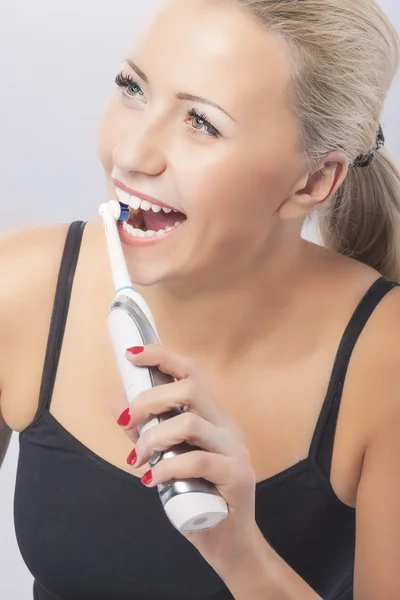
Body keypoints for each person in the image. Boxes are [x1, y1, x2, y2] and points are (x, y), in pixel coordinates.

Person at [1, 0, 400, 598]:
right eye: (132, 88)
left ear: (314, 181)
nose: (132, 155)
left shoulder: (384, 360)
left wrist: (238, 550)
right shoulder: (20, 288)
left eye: (202, 123)